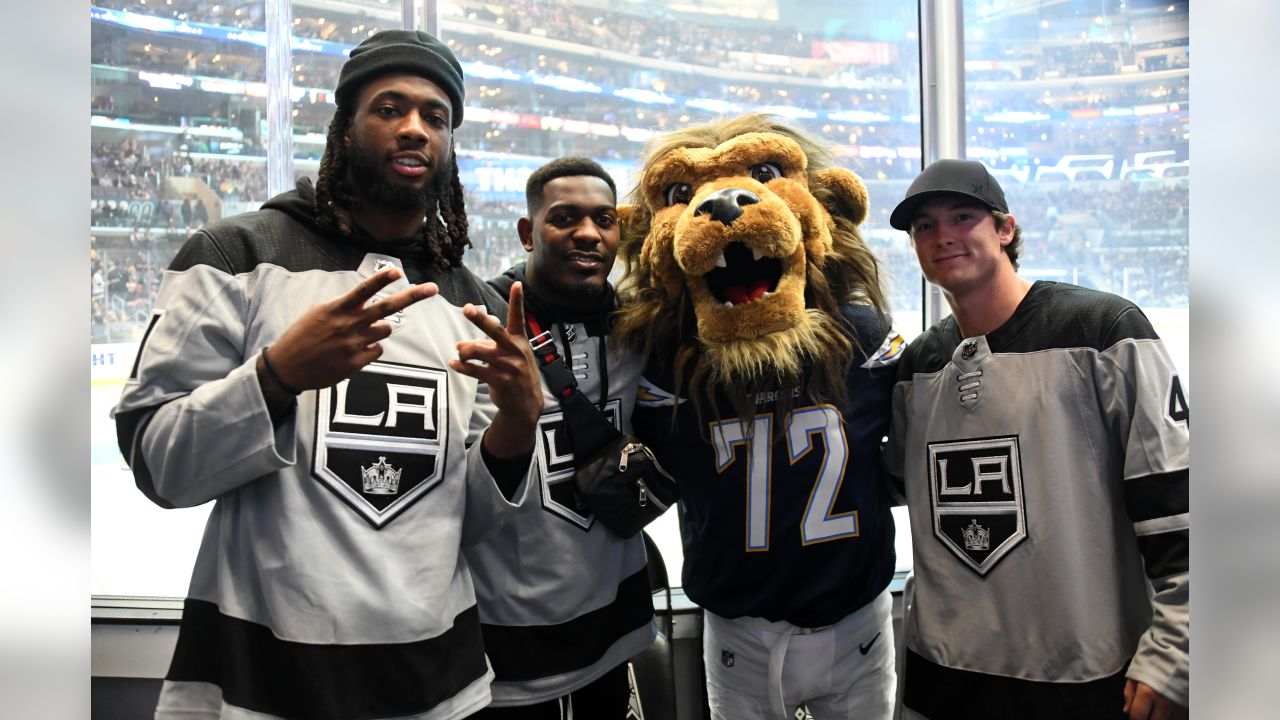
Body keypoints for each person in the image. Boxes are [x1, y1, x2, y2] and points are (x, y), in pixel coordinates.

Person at [113, 30, 544, 720]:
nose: (414, 127)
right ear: (345, 127)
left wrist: (517, 432)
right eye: (389, 107)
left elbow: (467, 524)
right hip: (255, 685)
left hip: (439, 686)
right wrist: (277, 376)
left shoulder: (478, 305)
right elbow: (159, 467)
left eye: (436, 117)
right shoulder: (236, 255)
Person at [615, 114, 905, 719]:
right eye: (679, 195)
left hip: (855, 616)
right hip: (738, 626)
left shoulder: (862, 337)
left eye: (765, 173)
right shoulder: (669, 362)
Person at [883, 159, 1189, 720]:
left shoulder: (1105, 331)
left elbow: (1176, 499)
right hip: (944, 679)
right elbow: (896, 484)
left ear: (1005, 229)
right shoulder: (917, 367)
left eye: (962, 216)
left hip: (1083, 682)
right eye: (923, 226)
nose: (942, 234)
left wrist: (1176, 650)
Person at [465, 157, 657, 718]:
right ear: (528, 232)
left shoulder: (642, 325)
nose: (588, 233)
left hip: (617, 631)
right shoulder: (482, 321)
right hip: (504, 643)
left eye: (604, 218)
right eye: (565, 217)